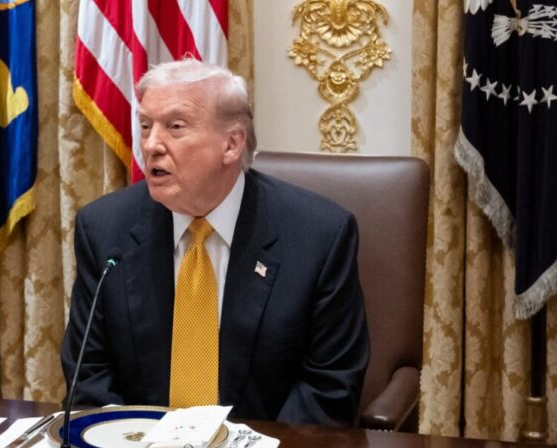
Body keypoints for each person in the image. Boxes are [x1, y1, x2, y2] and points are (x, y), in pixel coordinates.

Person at [61, 60, 370, 426]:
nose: (151, 145)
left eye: (175, 127)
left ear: (232, 144)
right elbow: (89, 372)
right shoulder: (105, 229)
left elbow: (329, 387)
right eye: (145, 126)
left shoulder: (319, 236)